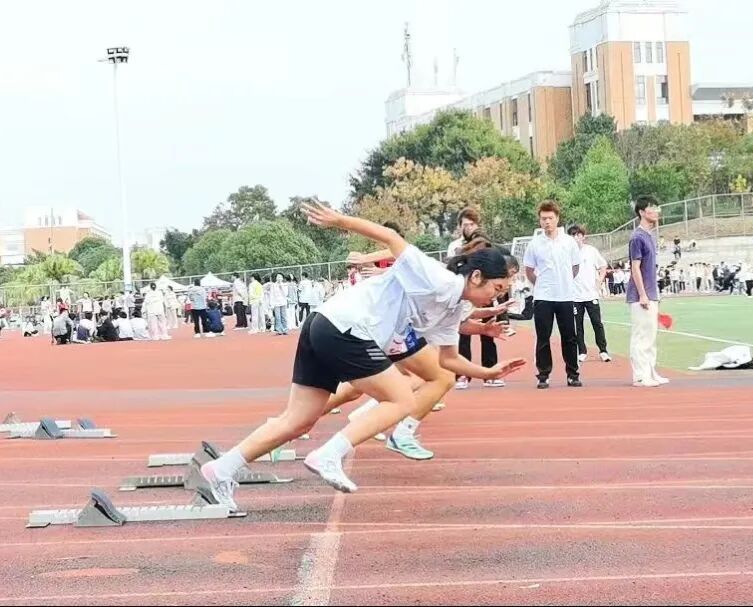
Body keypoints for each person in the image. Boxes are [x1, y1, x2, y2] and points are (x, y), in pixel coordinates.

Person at [199, 202, 525, 511]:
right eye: (496, 288)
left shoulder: (454, 308)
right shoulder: (439, 278)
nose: (495, 296)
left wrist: (489, 372)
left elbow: (448, 361)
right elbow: (392, 238)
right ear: (477, 276)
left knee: (298, 420)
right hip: (348, 327)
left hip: (325, 324)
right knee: (401, 399)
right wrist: (339, 221)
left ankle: (220, 471)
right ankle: (329, 455)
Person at [523, 201, 581, 390]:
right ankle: (543, 375)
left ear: (557, 218)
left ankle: (572, 374)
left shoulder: (569, 242)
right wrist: (541, 284)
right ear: (539, 220)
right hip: (543, 297)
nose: (547, 222)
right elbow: (529, 270)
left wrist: (565, 281)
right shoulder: (535, 244)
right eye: (543, 219)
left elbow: (575, 267)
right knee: (543, 337)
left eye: (550, 218)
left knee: (569, 337)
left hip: (565, 296)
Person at [627, 196, 668, 388]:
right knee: (641, 336)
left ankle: (650, 371)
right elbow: (635, 267)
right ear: (642, 212)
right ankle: (640, 376)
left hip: (651, 293)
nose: (657, 211)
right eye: (653, 208)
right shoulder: (637, 237)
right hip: (640, 295)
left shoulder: (649, 236)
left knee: (650, 336)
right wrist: (642, 294)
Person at [567, 225, 612, 364]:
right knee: (578, 326)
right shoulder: (567, 253)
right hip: (575, 296)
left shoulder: (591, 251)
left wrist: (600, 280)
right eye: (572, 235)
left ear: (583, 236)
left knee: (597, 323)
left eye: (578, 235)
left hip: (591, 295)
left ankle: (603, 351)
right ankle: (582, 351)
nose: (575, 238)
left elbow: (603, 265)